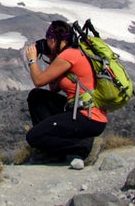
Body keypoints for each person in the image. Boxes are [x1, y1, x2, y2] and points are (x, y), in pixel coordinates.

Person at [23, 20, 106, 164]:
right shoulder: (71, 53)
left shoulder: (68, 56)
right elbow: (53, 88)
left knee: (33, 137)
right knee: (37, 97)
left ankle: (83, 148)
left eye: (48, 40)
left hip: (88, 118)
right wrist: (51, 58)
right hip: (81, 111)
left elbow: (38, 81)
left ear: (53, 40)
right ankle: (51, 149)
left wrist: (32, 60)